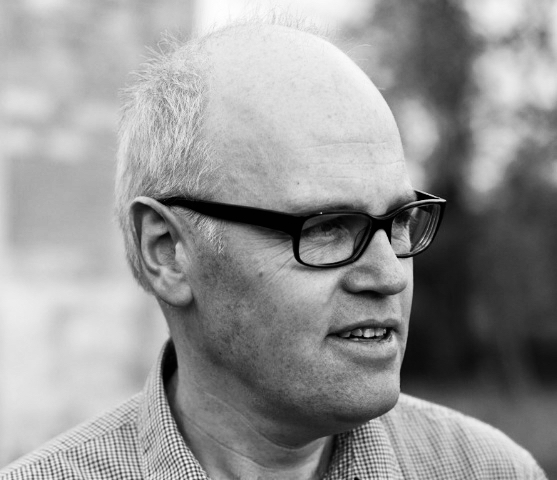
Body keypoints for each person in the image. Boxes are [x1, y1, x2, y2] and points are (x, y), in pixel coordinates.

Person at [0, 16, 547, 480]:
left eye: (400, 220)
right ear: (167, 251)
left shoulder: (491, 470)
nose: (390, 275)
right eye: (327, 227)